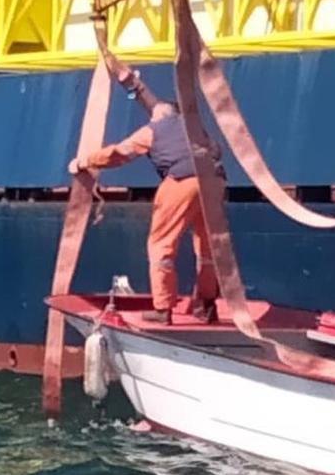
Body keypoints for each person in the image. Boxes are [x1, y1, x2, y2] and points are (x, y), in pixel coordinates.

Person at [69, 101, 223, 325]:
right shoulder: (194, 126)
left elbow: (119, 153)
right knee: (207, 245)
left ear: (159, 115)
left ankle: (162, 308)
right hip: (215, 181)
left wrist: (85, 161)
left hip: (182, 181)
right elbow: (216, 151)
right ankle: (206, 306)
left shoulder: (154, 129)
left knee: (161, 244)